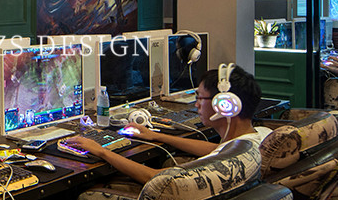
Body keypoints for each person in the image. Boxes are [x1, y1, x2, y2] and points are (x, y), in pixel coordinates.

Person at [63, 64, 268, 184]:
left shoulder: (220, 164)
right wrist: (157, 135)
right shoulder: (256, 139)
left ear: (224, 105)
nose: (196, 104)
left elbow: (154, 177)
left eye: (201, 98)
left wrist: (102, 151)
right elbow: (215, 149)